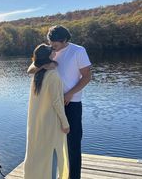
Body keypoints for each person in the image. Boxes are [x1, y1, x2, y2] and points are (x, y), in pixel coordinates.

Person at [27, 25, 91, 179]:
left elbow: (87, 77)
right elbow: (30, 69)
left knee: (73, 144)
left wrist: (69, 94)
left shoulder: (78, 51)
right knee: (53, 145)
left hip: (72, 103)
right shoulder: (50, 51)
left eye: (55, 44)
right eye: (51, 43)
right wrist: (45, 64)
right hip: (51, 106)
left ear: (65, 40)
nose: (52, 46)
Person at [24, 43, 70, 179]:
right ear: (49, 56)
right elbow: (57, 102)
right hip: (51, 121)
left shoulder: (37, 75)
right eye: (51, 51)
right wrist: (65, 123)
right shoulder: (53, 76)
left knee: (38, 153)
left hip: (37, 121)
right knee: (53, 153)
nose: (54, 50)